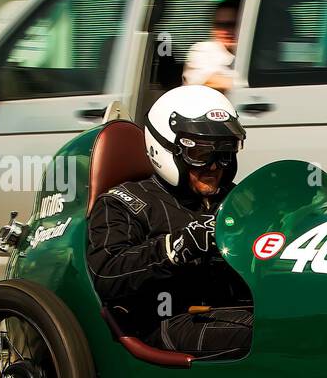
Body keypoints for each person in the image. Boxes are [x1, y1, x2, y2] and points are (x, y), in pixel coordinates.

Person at [87, 85, 253, 359]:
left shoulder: (239, 199)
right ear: (165, 149)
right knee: (273, 336)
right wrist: (177, 247)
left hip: (233, 310)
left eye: (224, 153)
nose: (214, 167)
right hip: (163, 321)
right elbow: (107, 274)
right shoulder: (124, 202)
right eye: (201, 155)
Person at [183, 0, 240, 92]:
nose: (226, 31)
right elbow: (211, 81)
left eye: (232, 24)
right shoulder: (202, 50)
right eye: (220, 25)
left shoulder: (256, 54)